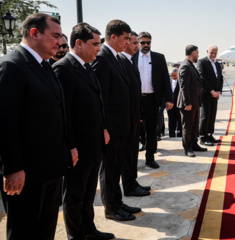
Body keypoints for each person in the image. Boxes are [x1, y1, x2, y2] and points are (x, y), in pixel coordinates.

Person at [0, 13, 70, 239]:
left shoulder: (45, 65)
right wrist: (13, 168)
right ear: (34, 33)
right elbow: (6, 122)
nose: (59, 42)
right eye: (55, 36)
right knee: (24, 232)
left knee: (45, 230)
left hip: (50, 169)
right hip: (26, 174)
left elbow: (57, 111)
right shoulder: (12, 66)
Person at [53, 23, 115, 240]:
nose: (99, 48)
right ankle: (76, 235)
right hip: (78, 146)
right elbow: (64, 114)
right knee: (75, 194)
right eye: (95, 44)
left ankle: (88, 229)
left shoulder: (88, 65)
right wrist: (70, 145)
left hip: (94, 142)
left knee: (89, 192)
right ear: (78, 43)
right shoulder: (63, 68)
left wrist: (104, 128)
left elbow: (97, 102)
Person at [92, 19, 141, 221]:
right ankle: (111, 208)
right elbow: (100, 96)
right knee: (109, 170)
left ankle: (118, 202)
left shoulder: (117, 58)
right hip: (111, 128)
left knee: (116, 167)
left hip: (121, 126)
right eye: (125, 39)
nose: (127, 43)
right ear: (113, 37)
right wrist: (104, 127)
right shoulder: (103, 58)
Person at [133, 31, 173, 168]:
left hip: (152, 100)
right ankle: (133, 159)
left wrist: (169, 99)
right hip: (136, 100)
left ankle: (150, 158)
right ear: (138, 42)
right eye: (143, 42)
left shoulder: (159, 58)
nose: (145, 45)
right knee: (135, 130)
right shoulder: (132, 57)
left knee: (152, 130)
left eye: (148, 42)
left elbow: (165, 80)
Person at [119, 31, 151, 197]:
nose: (137, 47)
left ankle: (133, 182)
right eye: (134, 43)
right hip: (126, 118)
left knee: (133, 153)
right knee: (127, 155)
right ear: (126, 43)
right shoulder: (121, 60)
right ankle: (129, 186)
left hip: (134, 116)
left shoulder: (130, 60)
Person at [177, 45, 207, 157]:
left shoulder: (190, 65)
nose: (198, 55)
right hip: (188, 104)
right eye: (197, 53)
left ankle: (194, 144)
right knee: (187, 127)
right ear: (193, 53)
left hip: (194, 102)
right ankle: (187, 147)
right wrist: (187, 103)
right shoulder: (185, 66)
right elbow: (184, 87)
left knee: (194, 126)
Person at [197, 45, 224, 146]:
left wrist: (219, 91)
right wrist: (211, 91)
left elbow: (220, 78)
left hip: (215, 95)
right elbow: (202, 77)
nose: (213, 55)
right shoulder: (202, 62)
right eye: (211, 52)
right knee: (205, 116)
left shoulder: (217, 64)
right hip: (206, 94)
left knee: (212, 115)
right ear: (207, 51)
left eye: (215, 53)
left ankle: (209, 134)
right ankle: (203, 137)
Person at [167, 68, 182, 137]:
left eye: (175, 75)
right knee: (171, 119)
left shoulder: (181, 81)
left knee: (179, 119)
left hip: (179, 104)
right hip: (170, 104)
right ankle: (171, 133)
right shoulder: (168, 81)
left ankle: (180, 132)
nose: (173, 77)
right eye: (171, 75)